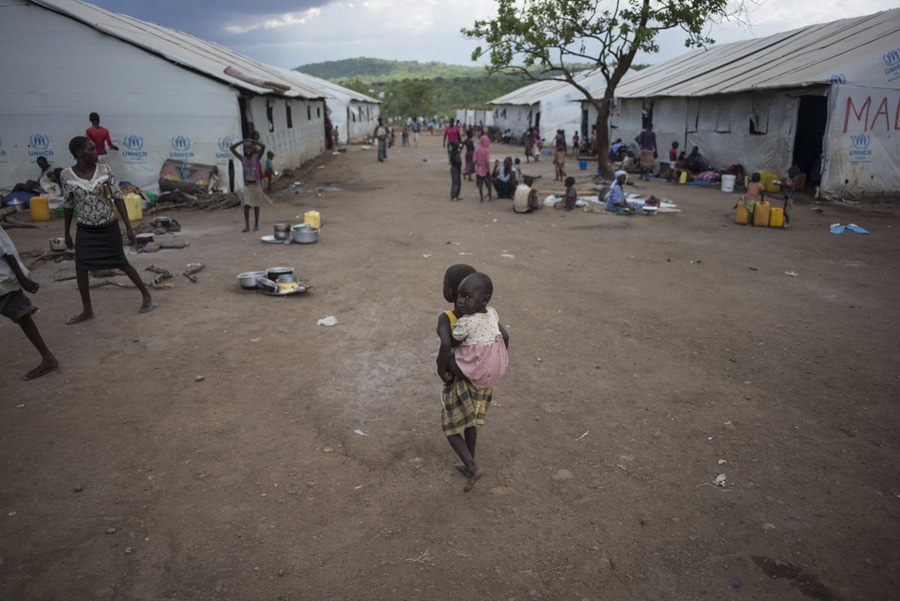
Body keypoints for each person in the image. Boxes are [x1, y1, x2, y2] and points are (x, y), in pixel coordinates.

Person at [61, 136, 155, 324]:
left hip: (108, 226)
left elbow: (118, 197)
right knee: (81, 268)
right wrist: (66, 233)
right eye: (91, 150)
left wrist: (128, 227)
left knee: (121, 262)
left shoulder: (105, 171)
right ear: (79, 153)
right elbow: (68, 204)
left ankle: (146, 295)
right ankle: (87, 310)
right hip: (85, 230)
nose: (96, 153)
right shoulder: (66, 175)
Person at [437, 270, 509, 492]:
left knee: (450, 427)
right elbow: (505, 336)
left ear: (448, 290)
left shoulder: (451, 318)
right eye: (461, 296)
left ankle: (472, 466)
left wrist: (443, 371)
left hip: (464, 377)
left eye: (466, 296)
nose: (461, 300)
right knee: (470, 423)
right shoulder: (490, 314)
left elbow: (446, 345)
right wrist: (495, 360)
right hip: (485, 381)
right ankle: (469, 464)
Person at [1, 224, 59, 380]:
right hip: (4, 281)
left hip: (3, 281)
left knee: (23, 316)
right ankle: (48, 358)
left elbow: (7, 253)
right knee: (23, 317)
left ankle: (48, 358)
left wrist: (22, 280)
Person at [230, 132, 270, 232]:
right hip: (247, 185)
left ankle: (256, 224)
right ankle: (247, 225)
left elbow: (263, 147)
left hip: (255, 185)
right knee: (246, 205)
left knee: (256, 205)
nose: (247, 151)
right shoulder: (242, 159)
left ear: (252, 150)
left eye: (249, 148)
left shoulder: (256, 158)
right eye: (245, 149)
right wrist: (242, 142)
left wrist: (254, 142)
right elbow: (232, 148)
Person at [473, 135, 492, 202]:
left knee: (480, 185)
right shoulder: (487, 150)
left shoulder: (476, 149)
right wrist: (488, 168)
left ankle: (481, 198)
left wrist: (479, 162)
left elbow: (474, 160)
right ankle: (490, 197)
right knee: (489, 184)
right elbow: (487, 161)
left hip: (479, 169)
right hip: (486, 169)